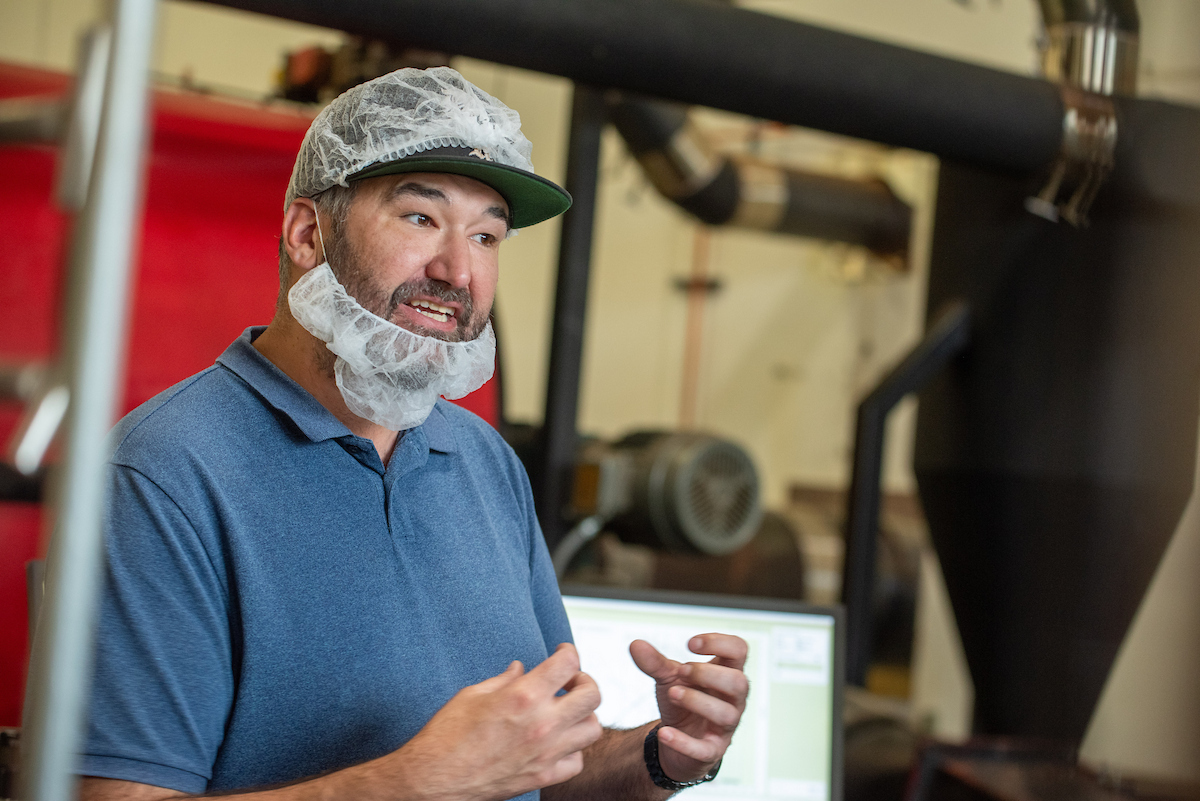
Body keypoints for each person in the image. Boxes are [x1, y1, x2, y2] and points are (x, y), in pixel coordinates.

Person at [77, 67, 748, 801]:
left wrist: (665, 754)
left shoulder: (484, 460)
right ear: (307, 234)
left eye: (487, 234)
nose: (457, 270)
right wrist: (412, 783)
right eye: (420, 218)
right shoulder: (164, 472)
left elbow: (539, 766)